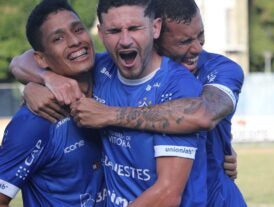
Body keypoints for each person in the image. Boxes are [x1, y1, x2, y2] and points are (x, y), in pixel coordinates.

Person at [9, 0, 242, 206]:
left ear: (155, 28)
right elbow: (28, 59)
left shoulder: (217, 70)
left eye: (200, 36)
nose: (197, 48)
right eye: (184, 41)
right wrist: (44, 80)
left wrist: (109, 115)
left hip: (217, 197)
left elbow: (203, 115)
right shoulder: (106, 67)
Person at [0, 1, 104, 206]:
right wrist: (42, 78)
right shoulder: (33, 122)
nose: (75, 41)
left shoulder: (111, 74)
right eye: (58, 38)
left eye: (78, 29)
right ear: (40, 59)